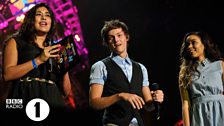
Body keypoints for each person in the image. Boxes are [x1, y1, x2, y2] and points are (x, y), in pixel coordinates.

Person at [89, 19, 164, 126]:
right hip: (113, 123)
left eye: (119, 35)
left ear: (127, 37)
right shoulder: (100, 66)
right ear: (107, 43)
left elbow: (149, 106)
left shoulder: (141, 68)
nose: (116, 40)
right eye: (111, 38)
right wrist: (120, 96)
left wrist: (156, 99)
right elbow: (94, 103)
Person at [2, 3, 71, 108]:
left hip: (53, 100)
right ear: (31, 20)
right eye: (39, 14)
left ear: (51, 22)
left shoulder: (56, 49)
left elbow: (66, 92)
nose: (44, 17)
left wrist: (65, 68)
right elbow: (7, 74)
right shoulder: (15, 41)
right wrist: (39, 60)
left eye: (47, 15)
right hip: (24, 96)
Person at [178, 31, 224, 126]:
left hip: (221, 111)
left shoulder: (220, 65)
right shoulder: (185, 72)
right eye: (187, 44)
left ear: (204, 44)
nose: (189, 46)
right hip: (199, 115)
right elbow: (185, 104)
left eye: (193, 42)